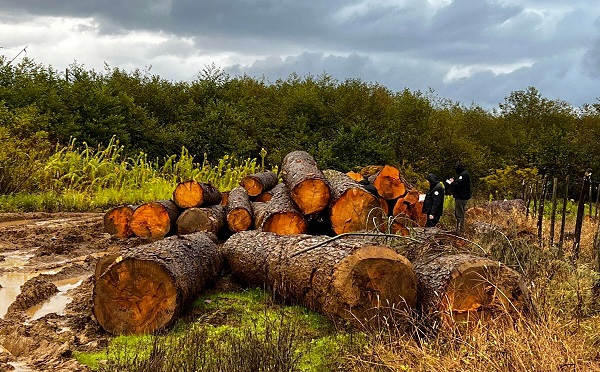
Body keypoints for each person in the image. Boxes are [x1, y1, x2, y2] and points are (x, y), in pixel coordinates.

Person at [446, 161, 471, 233]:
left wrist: (451, 182)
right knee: (460, 212)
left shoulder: (463, 175)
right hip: (461, 196)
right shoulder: (463, 174)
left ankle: (460, 230)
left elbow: (458, 185)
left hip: (461, 197)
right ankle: (459, 229)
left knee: (459, 213)